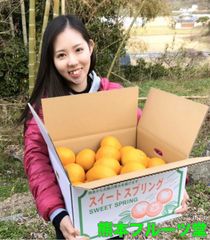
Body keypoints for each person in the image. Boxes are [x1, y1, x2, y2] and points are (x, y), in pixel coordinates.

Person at [19, 15, 189, 240]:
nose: (72, 61)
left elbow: (151, 141)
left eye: (78, 49)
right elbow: (36, 162)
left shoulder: (114, 95)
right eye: (61, 55)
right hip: (73, 217)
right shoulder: (44, 110)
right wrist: (58, 214)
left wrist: (174, 183)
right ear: (51, 60)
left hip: (115, 206)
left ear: (90, 47)